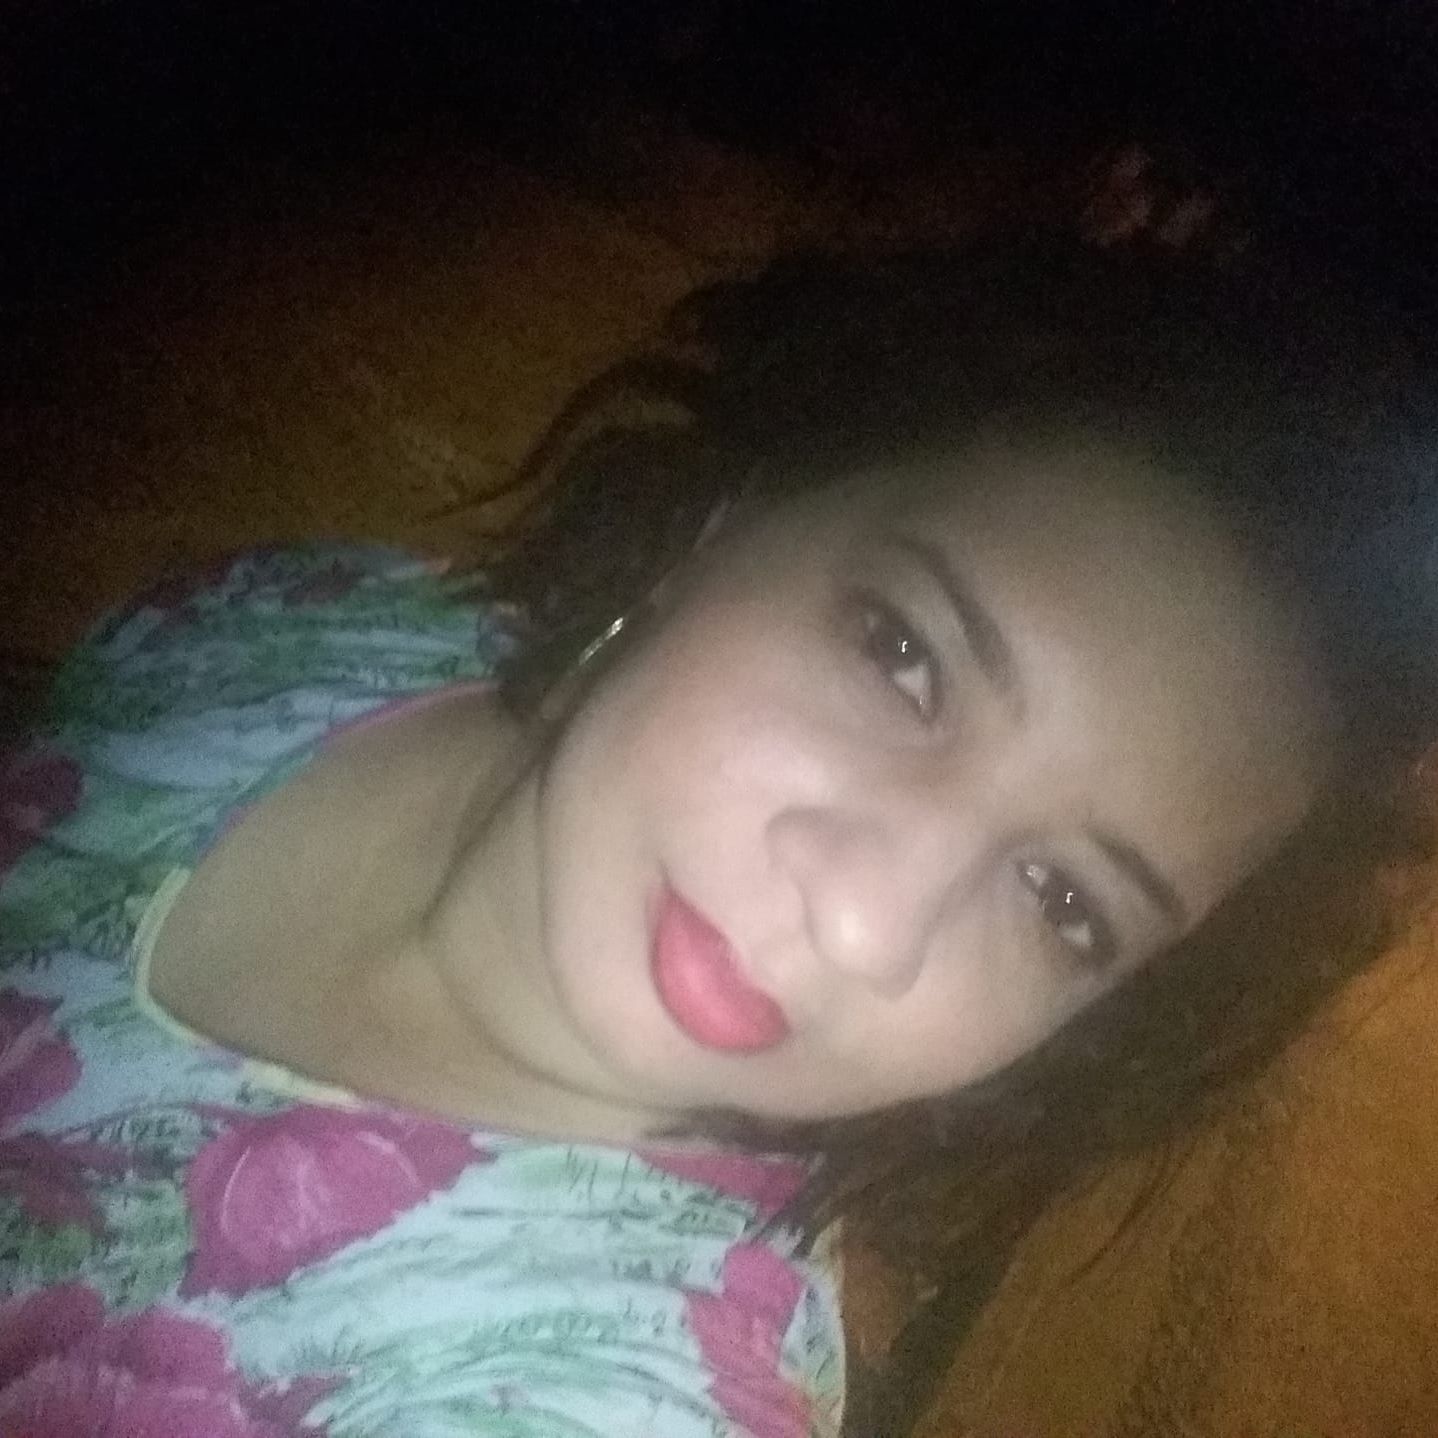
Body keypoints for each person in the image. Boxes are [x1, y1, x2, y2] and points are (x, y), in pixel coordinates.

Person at [1, 233, 1432, 1437]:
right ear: (732, 515)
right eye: (901, 655)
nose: (869, 925)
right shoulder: (306, 625)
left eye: (1064, 903)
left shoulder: (590, 1392)